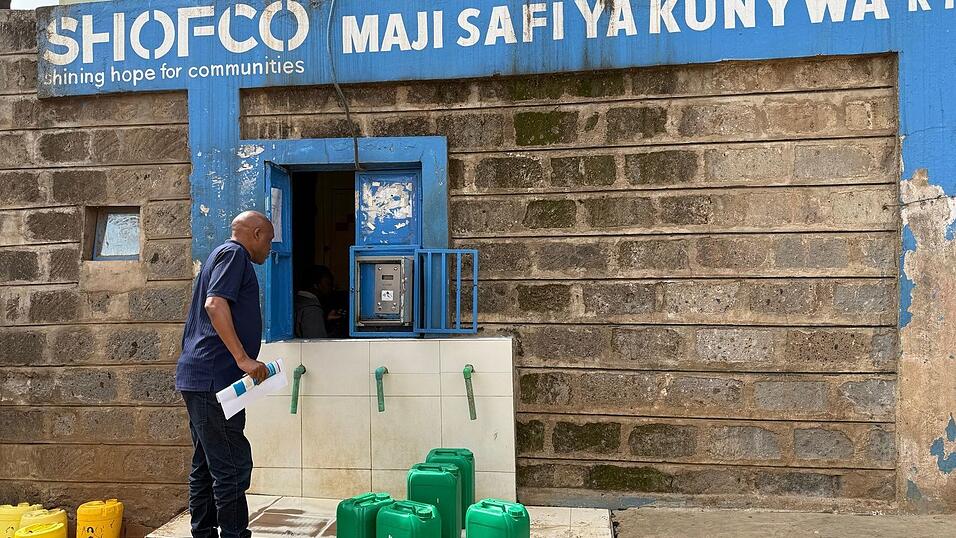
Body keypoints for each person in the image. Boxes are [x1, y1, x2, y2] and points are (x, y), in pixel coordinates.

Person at [175, 211, 274, 538]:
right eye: (269, 240)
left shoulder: (219, 255)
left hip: (206, 377)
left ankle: (204, 532)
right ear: (256, 233)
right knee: (231, 466)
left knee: (207, 464)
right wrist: (243, 358)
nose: (270, 248)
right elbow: (215, 304)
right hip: (213, 379)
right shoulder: (234, 255)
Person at [294, 265, 344, 338]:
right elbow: (317, 341)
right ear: (316, 285)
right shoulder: (312, 309)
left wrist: (326, 320)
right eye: (328, 284)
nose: (332, 288)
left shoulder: (295, 301)